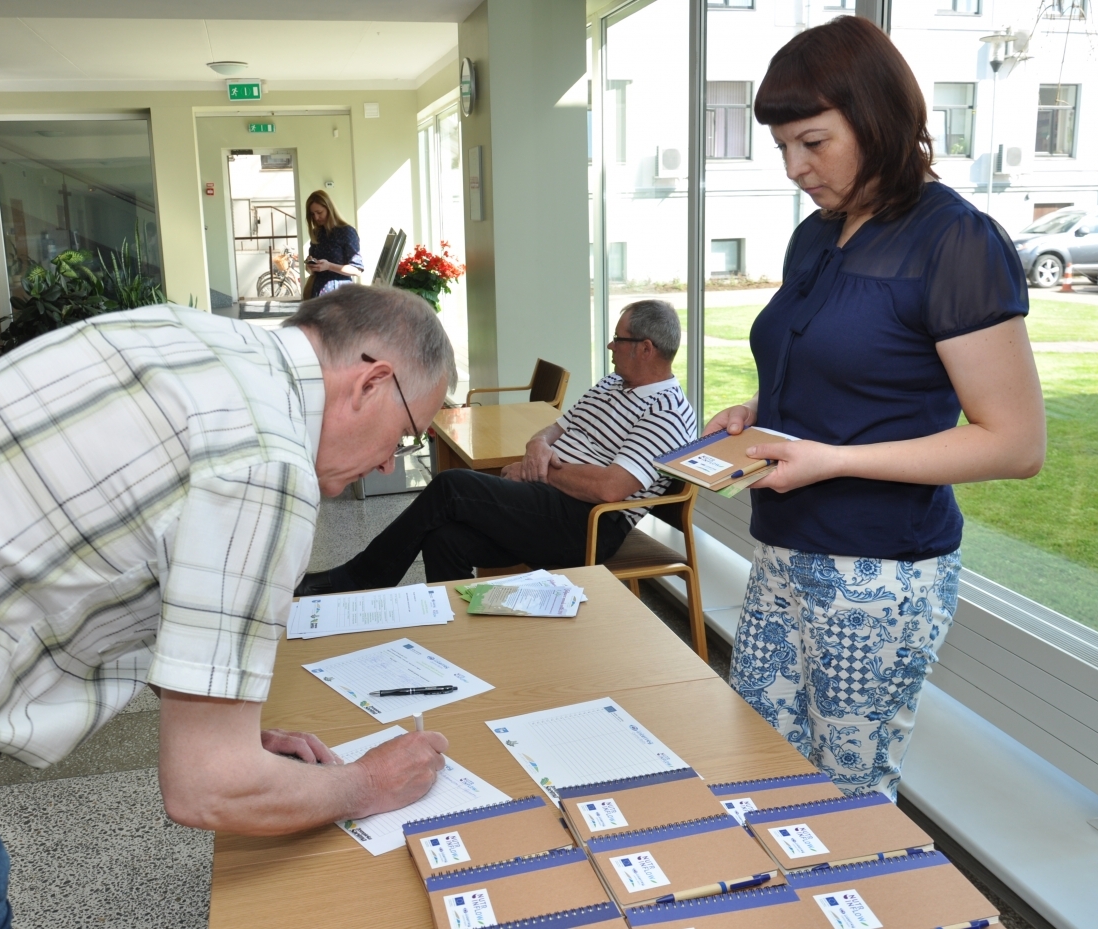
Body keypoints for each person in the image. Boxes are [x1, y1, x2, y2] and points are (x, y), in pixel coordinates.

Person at [0, 285, 455, 927]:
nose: (384, 466)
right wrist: (368, 783)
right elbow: (206, 787)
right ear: (371, 382)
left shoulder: (190, 337)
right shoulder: (266, 460)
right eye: (403, 436)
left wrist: (225, 731)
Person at [705, 17, 1046, 800]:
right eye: (782, 147)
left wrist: (835, 460)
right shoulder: (817, 236)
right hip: (785, 548)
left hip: (879, 572)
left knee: (848, 793)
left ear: (877, 120)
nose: (794, 167)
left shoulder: (955, 241)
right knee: (757, 766)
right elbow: (849, 369)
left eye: (812, 142)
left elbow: (1015, 443)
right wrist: (756, 410)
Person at [297, 300, 698, 593]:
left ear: (646, 348)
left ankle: (359, 578)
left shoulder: (668, 411)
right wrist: (536, 448)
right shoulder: (612, 384)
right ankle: (457, 639)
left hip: (588, 524)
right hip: (548, 500)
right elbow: (552, 431)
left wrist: (541, 469)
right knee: (445, 538)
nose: (610, 346)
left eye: (618, 339)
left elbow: (610, 488)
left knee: (452, 486)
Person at [303, 189, 364, 297]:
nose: (316, 218)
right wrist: (311, 266)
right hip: (317, 293)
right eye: (312, 214)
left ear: (329, 209)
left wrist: (329, 266)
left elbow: (357, 270)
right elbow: (310, 270)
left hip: (339, 295)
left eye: (319, 212)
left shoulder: (346, 231)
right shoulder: (317, 233)